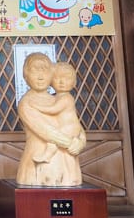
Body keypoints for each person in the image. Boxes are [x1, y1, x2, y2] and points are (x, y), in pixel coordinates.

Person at [16, 53, 85, 186]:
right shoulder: (26, 103)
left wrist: (81, 141)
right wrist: (70, 144)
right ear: (26, 76)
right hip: (39, 167)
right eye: (35, 71)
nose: (41, 76)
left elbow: (75, 124)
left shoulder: (60, 98)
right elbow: (46, 131)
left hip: (67, 163)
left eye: (45, 70)